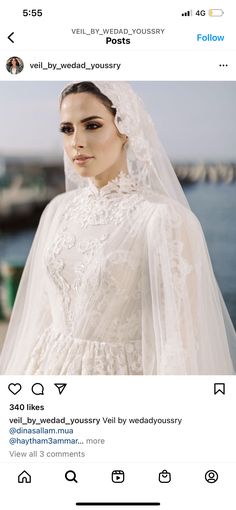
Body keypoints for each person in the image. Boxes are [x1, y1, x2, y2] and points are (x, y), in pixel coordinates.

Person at [0, 81, 235, 375]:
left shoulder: (163, 219)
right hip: (46, 369)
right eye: (67, 129)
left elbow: (179, 345)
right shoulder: (57, 211)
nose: (77, 142)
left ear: (125, 130)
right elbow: (38, 316)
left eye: (92, 125)